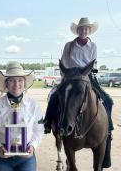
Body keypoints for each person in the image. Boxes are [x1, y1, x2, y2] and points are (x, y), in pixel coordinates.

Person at [43, 17, 113, 168]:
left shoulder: (93, 46)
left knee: (107, 99)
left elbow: (93, 63)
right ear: (78, 30)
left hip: (86, 76)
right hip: (70, 76)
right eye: (81, 28)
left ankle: (109, 128)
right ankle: (48, 123)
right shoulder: (69, 45)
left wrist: (88, 73)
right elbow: (64, 62)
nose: (84, 31)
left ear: (89, 31)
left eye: (86, 29)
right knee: (55, 96)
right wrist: (66, 77)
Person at [0, 61, 44, 171]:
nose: (16, 84)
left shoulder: (34, 105)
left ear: (24, 83)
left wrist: (33, 146)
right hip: (2, 158)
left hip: (26, 159)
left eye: (20, 80)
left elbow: (40, 129)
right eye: (12, 80)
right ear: (6, 84)